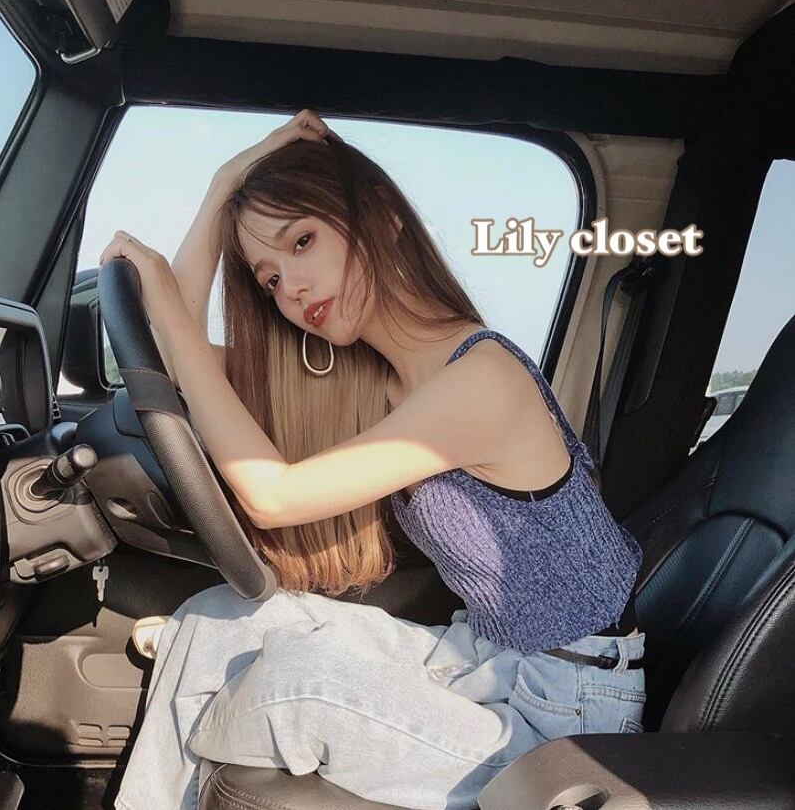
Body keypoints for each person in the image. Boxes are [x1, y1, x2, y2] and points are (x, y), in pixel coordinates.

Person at [101, 109, 645, 810]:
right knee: (217, 621)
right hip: (482, 656)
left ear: (384, 218)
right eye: (269, 279)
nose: (291, 288)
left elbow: (273, 496)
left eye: (302, 241)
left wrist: (172, 299)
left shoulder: (483, 378)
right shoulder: (378, 381)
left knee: (292, 684)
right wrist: (222, 185)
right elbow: (173, 362)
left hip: (568, 709)